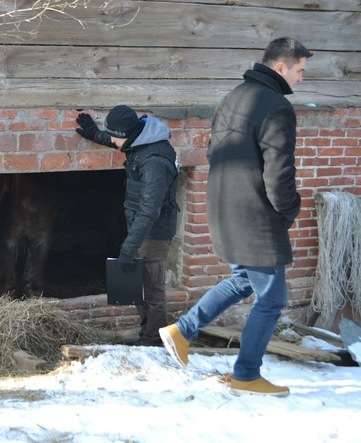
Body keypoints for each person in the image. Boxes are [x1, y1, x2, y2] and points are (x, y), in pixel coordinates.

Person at [159, 37, 312, 396]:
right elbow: (279, 173)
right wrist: (289, 209)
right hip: (256, 215)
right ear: (280, 67)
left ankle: (183, 329)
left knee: (243, 279)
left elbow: (216, 153)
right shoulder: (275, 106)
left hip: (225, 207)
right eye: (300, 70)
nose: (302, 78)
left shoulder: (233, 98)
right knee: (272, 299)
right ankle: (246, 375)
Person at [75, 105, 179, 345]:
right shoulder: (140, 139)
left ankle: (153, 339)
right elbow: (118, 141)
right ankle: (147, 331)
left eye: (114, 136)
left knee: (151, 288)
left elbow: (150, 210)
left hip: (154, 231)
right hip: (139, 225)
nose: (112, 141)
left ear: (126, 135)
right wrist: (93, 133)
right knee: (134, 284)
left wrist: (128, 248)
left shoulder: (155, 162)